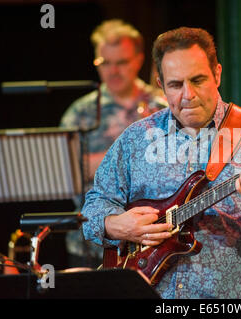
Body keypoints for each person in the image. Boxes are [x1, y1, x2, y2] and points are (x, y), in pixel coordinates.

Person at [81, 27, 241, 299]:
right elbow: (93, 208)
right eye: (175, 85)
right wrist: (117, 225)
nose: (188, 95)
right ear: (160, 84)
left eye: (198, 80)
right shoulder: (136, 139)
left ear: (217, 75)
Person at [60, 19, 167, 267]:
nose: (113, 71)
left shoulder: (162, 106)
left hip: (151, 246)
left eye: (121, 62)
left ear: (139, 60)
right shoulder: (79, 113)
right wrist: (122, 160)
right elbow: (63, 174)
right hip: (88, 245)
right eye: (105, 63)